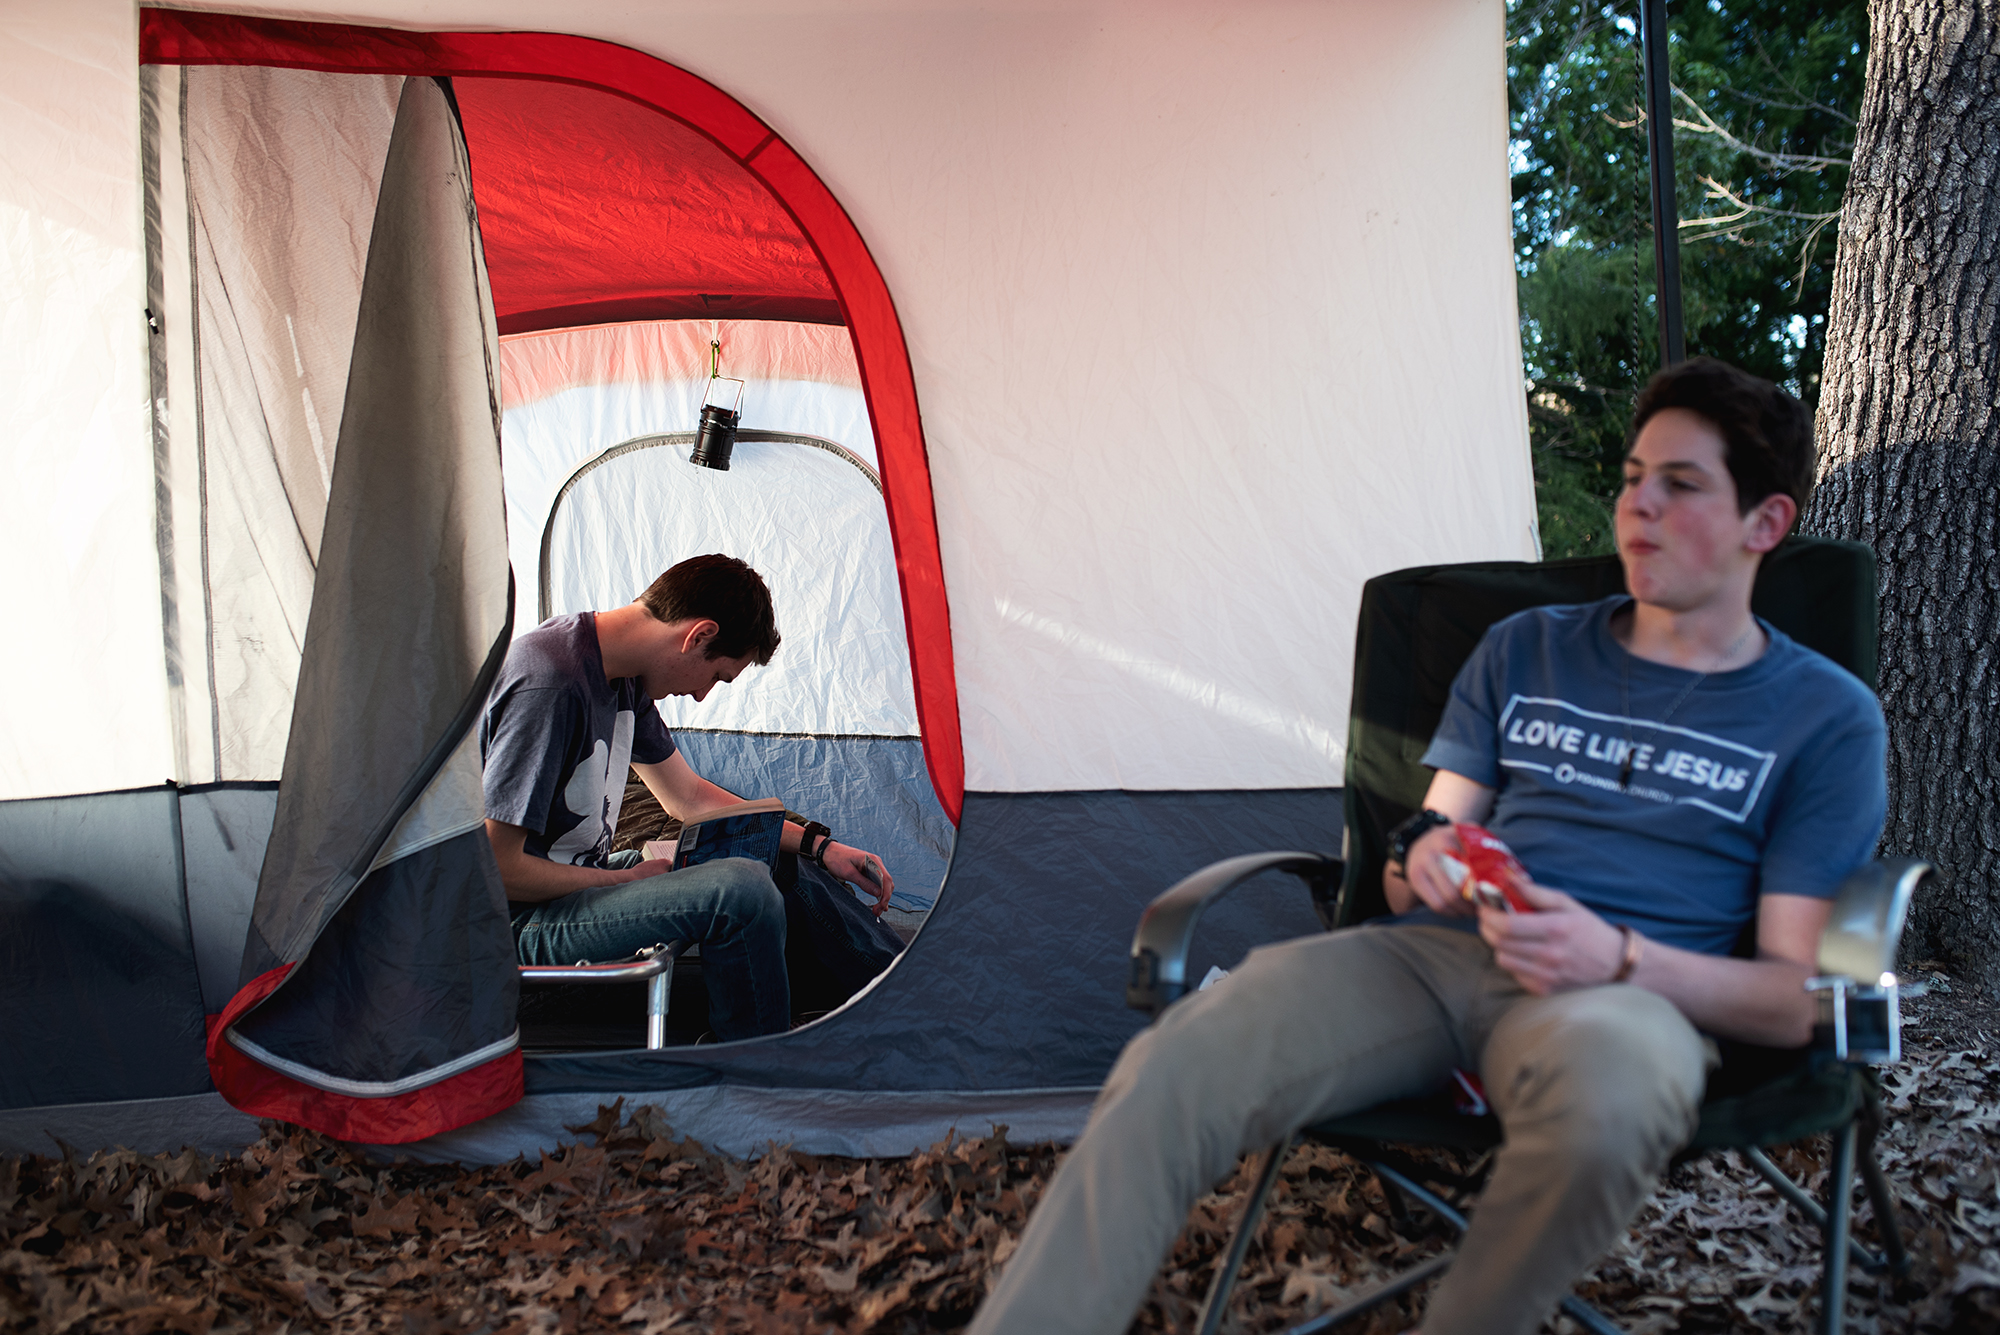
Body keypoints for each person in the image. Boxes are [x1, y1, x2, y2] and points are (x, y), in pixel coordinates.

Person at [968, 358, 1887, 1335]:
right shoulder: (1525, 648)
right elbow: (1430, 839)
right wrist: (1424, 861)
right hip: (1432, 964)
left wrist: (1617, 956)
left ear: (1765, 524)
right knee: (1176, 1062)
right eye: (1630, 477)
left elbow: (1796, 999)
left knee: (1604, 1113)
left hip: (1626, 999)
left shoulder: (1822, 719)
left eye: (1680, 483)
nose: (1639, 505)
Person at [481, 553, 905, 1041]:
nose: (703, 697)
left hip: (570, 889)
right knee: (740, 889)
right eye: (717, 677)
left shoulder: (619, 677)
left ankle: (891, 987)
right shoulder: (550, 684)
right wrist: (616, 881)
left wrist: (820, 846)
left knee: (759, 848)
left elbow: (688, 796)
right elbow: (497, 869)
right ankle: (750, 1054)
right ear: (699, 636)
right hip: (517, 922)